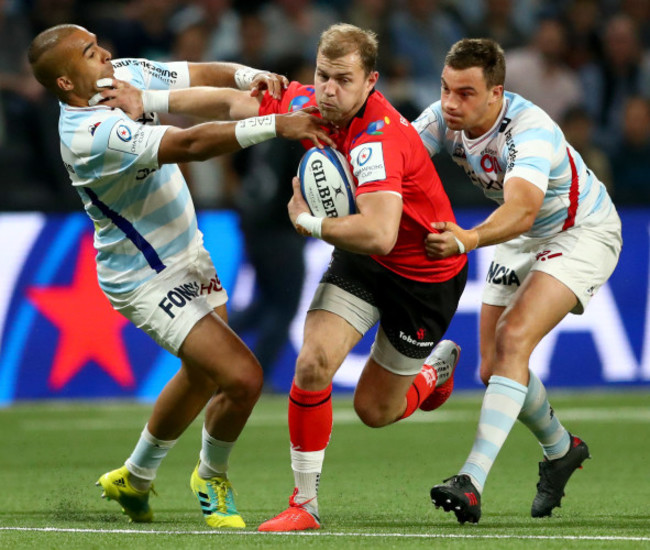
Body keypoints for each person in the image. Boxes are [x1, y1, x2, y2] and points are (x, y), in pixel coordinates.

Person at [104, 23, 468, 532]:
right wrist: (148, 97)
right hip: (360, 260)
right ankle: (305, 503)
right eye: (322, 75)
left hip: (422, 275)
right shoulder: (313, 106)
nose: (329, 89)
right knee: (312, 365)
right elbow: (231, 104)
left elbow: (383, 233)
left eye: (343, 79)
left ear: (371, 82)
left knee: (374, 410)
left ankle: (433, 372)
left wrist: (308, 223)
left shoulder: (377, 138)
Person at [27, 23, 334, 529]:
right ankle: (210, 477)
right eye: (89, 52)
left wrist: (248, 76)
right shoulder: (87, 134)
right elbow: (190, 143)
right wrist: (276, 126)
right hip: (145, 276)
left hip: (188, 251)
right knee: (242, 377)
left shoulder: (115, 77)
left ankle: (135, 476)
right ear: (65, 82)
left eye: (99, 42)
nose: (105, 53)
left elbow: (197, 77)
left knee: (204, 374)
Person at [413, 38, 622, 524]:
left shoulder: (529, 131)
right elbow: (397, 158)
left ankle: (471, 480)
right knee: (493, 369)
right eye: (445, 89)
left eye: (465, 93)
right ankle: (561, 448)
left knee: (513, 338)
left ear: (496, 93)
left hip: (579, 231)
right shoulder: (445, 117)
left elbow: (524, 209)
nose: (449, 103)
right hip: (517, 235)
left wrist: (466, 240)